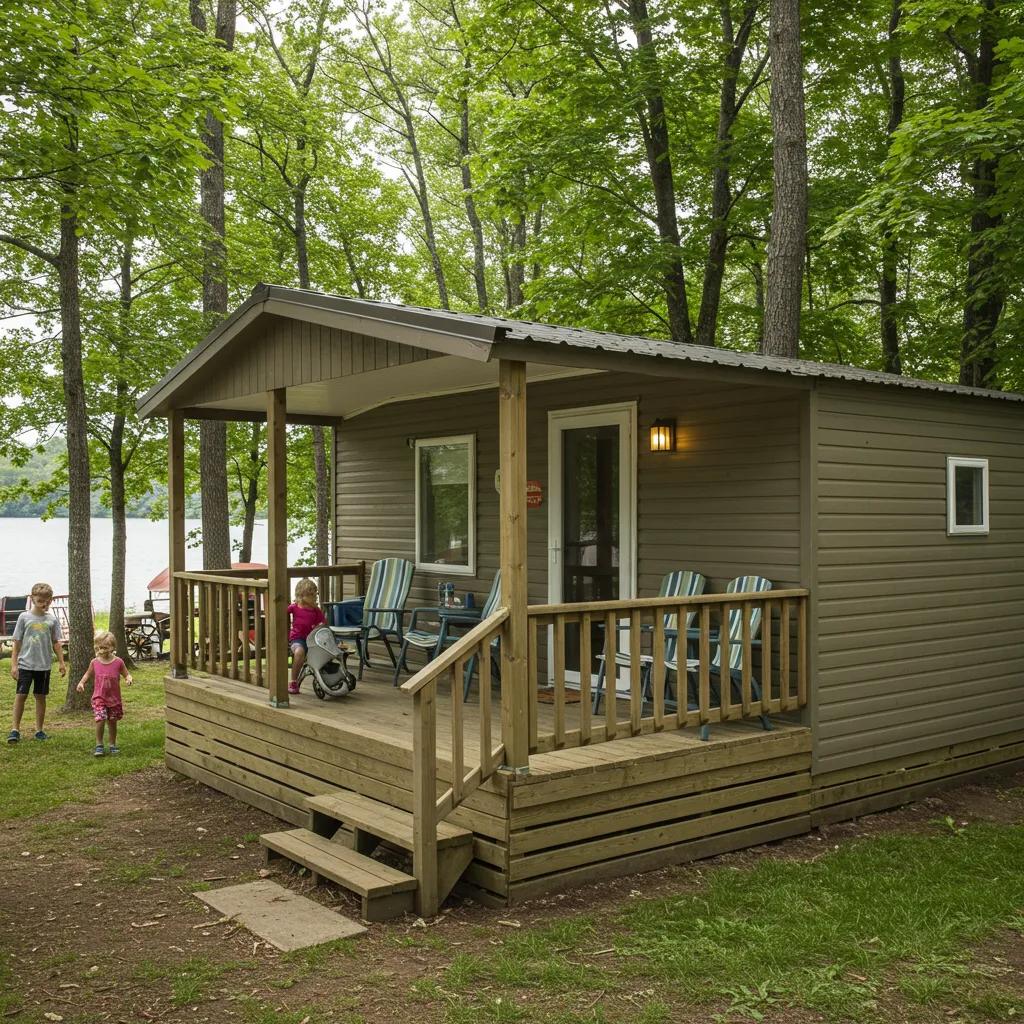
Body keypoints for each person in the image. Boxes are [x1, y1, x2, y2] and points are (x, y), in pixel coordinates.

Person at [7, 582, 66, 743]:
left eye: (47, 601)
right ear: (33, 599)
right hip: (25, 664)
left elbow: (56, 643)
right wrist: (14, 665)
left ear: (51, 600)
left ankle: (39, 730)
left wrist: (61, 662)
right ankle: (15, 730)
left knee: (40, 696)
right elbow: (17, 643)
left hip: (44, 666)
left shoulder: (52, 620)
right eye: (40, 601)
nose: (43, 604)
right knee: (21, 695)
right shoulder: (24, 617)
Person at [76, 630, 132, 757]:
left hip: (114, 699)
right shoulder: (95, 662)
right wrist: (81, 683)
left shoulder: (118, 662)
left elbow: (126, 674)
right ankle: (99, 745)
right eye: (99, 647)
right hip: (99, 697)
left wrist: (129, 679)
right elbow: (87, 674)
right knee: (100, 719)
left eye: (105, 648)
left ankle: (112, 744)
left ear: (112, 647)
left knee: (112, 721)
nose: (101, 650)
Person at [287, 578, 326, 695]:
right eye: (311, 595)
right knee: (299, 652)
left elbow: (323, 622)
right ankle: (293, 681)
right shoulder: (294, 607)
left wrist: (318, 627)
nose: (314, 597)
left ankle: (325, 680)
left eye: (315, 594)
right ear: (301, 596)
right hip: (297, 639)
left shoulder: (316, 610)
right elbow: (281, 612)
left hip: (312, 640)